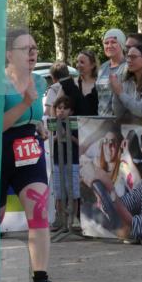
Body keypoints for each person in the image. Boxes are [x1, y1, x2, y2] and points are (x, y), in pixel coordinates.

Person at [0, 28, 61, 282]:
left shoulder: (38, 79)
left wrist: (38, 126)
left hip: (30, 150)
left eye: (35, 48)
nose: (33, 53)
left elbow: (35, 115)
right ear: (8, 54)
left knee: (38, 214)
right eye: (26, 48)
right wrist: (24, 103)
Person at [50, 95, 80, 229]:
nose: (61, 111)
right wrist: (58, 135)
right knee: (59, 193)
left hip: (73, 162)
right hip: (58, 163)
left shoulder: (75, 123)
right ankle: (60, 219)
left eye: (65, 108)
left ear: (71, 111)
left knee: (73, 193)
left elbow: (81, 142)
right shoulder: (52, 123)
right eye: (59, 108)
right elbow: (49, 142)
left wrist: (69, 135)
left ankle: (73, 219)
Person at [97, 28, 128, 117]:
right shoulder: (102, 68)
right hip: (102, 121)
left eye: (113, 42)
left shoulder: (129, 66)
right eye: (106, 43)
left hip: (123, 121)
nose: (109, 46)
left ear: (122, 44)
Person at [60, 49, 99, 116]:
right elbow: (54, 106)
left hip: (96, 125)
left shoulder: (101, 84)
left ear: (92, 65)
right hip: (73, 126)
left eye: (82, 62)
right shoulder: (68, 84)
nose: (78, 65)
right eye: (77, 62)